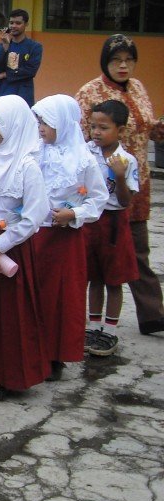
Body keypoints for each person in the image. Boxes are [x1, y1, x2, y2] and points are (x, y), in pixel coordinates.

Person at [75, 34, 164, 336]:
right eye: (116, 60)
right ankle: (95, 323)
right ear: (105, 62)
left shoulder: (137, 88)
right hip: (102, 191)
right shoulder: (90, 92)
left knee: (137, 251)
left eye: (129, 60)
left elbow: (148, 127)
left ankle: (152, 316)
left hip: (135, 183)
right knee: (104, 265)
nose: (123, 66)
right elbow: (79, 137)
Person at [0, 95, 51, 401]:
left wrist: (2, 245)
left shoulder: (27, 166)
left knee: (9, 314)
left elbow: (35, 214)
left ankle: (5, 376)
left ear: (12, 125)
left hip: (11, 245)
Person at [31, 94, 108, 380]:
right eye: (38, 121)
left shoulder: (84, 159)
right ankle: (33, 352)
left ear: (62, 123)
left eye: (46, 122)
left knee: (60, 297)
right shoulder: (35, 152)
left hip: (63, 239)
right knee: (33, 295)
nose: (41, 128)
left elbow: (98, 199)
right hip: (35, 235)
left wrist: (73, 214)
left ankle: (55, 356)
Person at [84, 100, 140, 357]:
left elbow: (127, 201)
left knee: (113, 279)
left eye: (103, 127)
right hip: (90, 222)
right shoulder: (86, 152)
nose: (96, 132)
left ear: (120, 130)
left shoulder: (127, 161)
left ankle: (110, 330)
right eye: (93, 126)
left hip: (114, 223)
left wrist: (119, 175)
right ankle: (93, 326)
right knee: (94, 276)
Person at [0, 9, 42, 107]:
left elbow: (31, 71)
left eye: (18, 23)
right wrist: (5, 47)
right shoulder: (1, 46)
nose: (14, 26)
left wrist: (6, 74)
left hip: (22, 94)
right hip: (1, 92)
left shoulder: (34, 47)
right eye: (11, 23)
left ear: (26, 24)